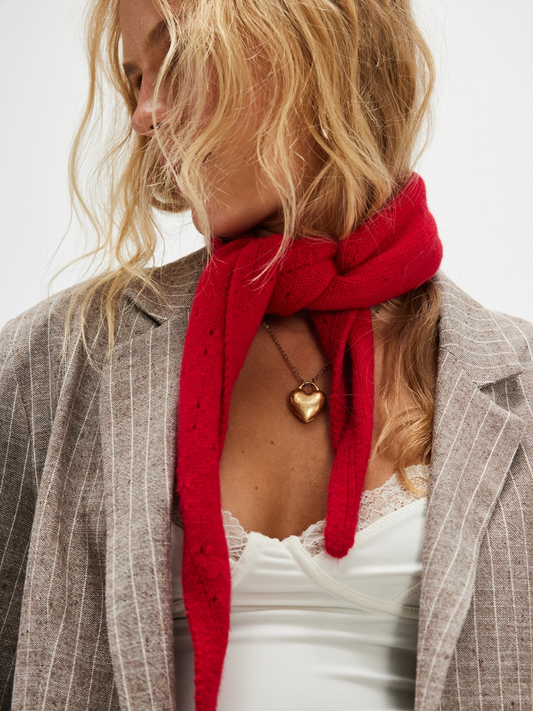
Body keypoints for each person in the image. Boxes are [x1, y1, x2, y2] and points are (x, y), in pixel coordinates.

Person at [1, 0, 532, 709]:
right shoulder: (52, 363)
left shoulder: (517, 384)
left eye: (176, 58)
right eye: (135, 79)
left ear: (310, 46)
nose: (145, 114)